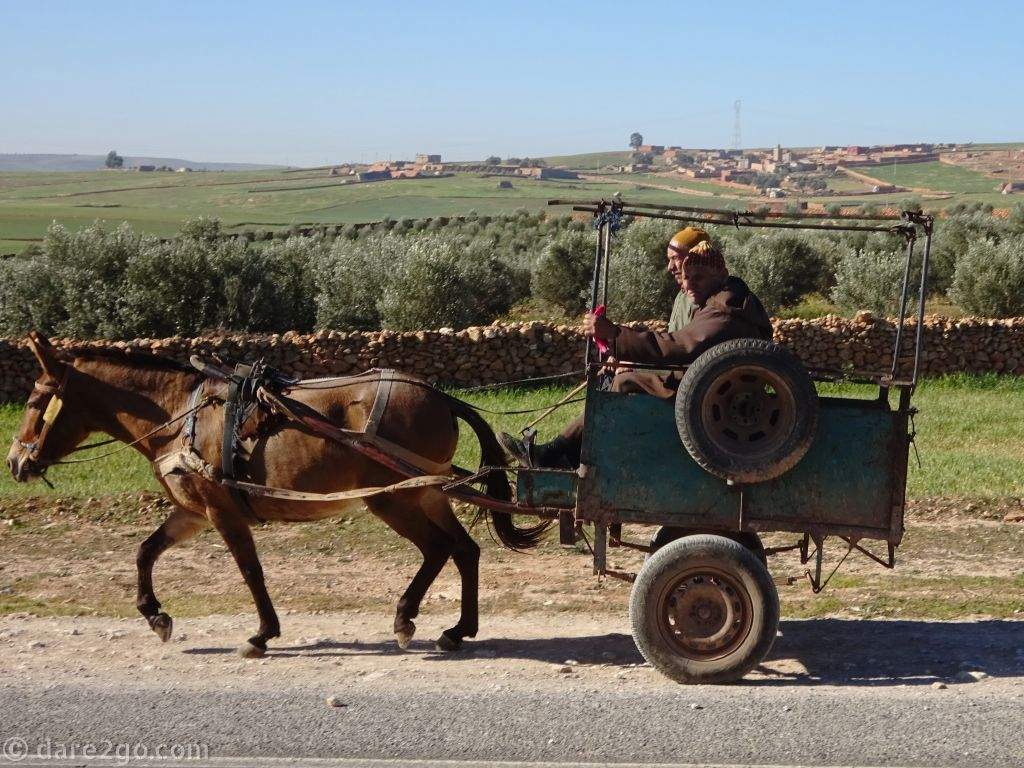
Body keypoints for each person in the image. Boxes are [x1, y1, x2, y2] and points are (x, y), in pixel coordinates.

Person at [499, 227, 773, 468]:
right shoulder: (718, 300)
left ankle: (561, 455)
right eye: (686, 277)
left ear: (720, 273)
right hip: (703, 381)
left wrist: (616, 336)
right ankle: (565, 454)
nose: (688, 284)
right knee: (615, 376)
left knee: (623, 382)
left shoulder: (725, 310)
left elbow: (680, 345)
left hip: (712, 394)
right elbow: (679, 343)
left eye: (697, 277)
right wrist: (629, 355)